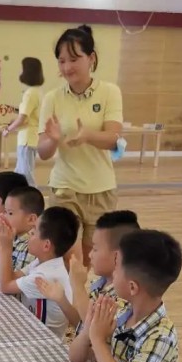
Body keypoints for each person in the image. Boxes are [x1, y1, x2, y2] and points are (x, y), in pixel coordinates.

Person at [71, 230, 182, 362]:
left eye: (116, 268)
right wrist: (89, 329)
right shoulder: (118, 306)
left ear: (132, 287)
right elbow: (75, 357)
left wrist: (97, 339)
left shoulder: (161, 335)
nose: (112, 274)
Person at [38, 25, 123, 263]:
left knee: (89, 262)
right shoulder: (52, 98)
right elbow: (43, 153)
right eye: (62, 61)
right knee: (68, 258)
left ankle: (79, 299)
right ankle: (64, 299)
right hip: (65, 188)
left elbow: (114, 139)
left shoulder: (110, 92)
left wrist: (88, 136)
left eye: (74, 59)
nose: (67, 67)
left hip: (101, 191)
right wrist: (53, 140)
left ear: (91, 58)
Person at [37, 209, 140, 330]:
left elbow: (93, 331)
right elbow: (80, 324)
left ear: (117, 256)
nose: (90, 255)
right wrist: (61, 299)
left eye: (95, 249)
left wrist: (78, 286)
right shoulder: (100, 283)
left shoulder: (122, 294)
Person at [0, 206, 79, 340]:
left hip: (42, 341)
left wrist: (5, 246)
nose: (29, 234)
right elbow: (11, 277)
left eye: (34, 232)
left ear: (46, 245)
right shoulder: (44, 262)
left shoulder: (45, 276)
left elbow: (5, 286)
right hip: (31, 331)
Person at [3, 57, 44, 186]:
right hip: (32, 137)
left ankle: (34, 199)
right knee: (20, 172)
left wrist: (8, 129)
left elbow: (22, 119)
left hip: (27, 139)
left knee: (26, 174)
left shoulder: (30, 93)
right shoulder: (38, 92)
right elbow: (30, 115)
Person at [3, 185, 45, 271]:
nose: (4, 217)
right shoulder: (12, 237)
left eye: (10, 213)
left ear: (31, 219)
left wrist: (0, 249)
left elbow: (12, 281)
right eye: (5, 212)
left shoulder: (31, 247)